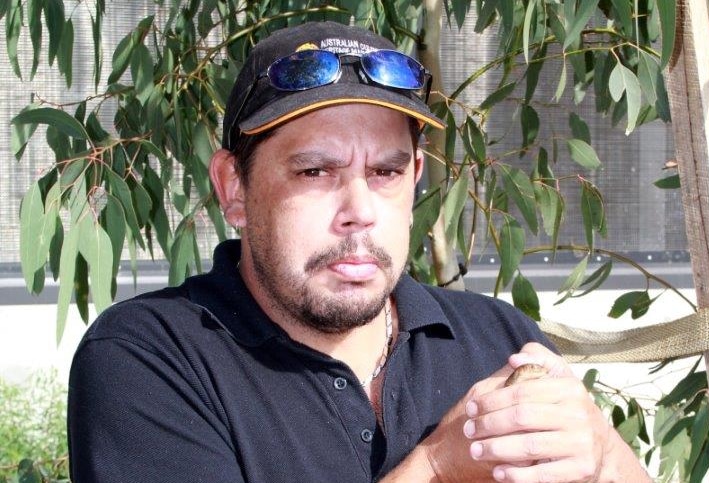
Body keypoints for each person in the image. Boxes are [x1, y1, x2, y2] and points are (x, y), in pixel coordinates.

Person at [67, 21, 652, 482]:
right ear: (234, 189)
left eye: (386, 171)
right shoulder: (151, 358)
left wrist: (604, 454)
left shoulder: (498, 339)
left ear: (417, 175)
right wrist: (438, 467)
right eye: (316, 171)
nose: (360, 209)